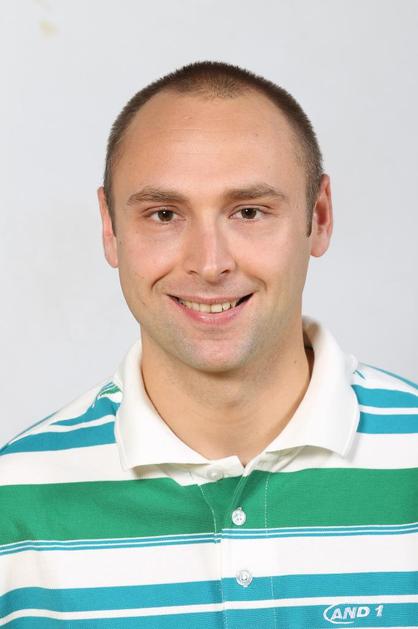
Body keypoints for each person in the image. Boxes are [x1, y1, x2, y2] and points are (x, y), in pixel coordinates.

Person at [0, 61, 417, 629]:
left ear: (319, 218)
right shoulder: (14, 504)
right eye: (164, 214)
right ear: (110, 228)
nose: (209, 262)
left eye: (249, 212)